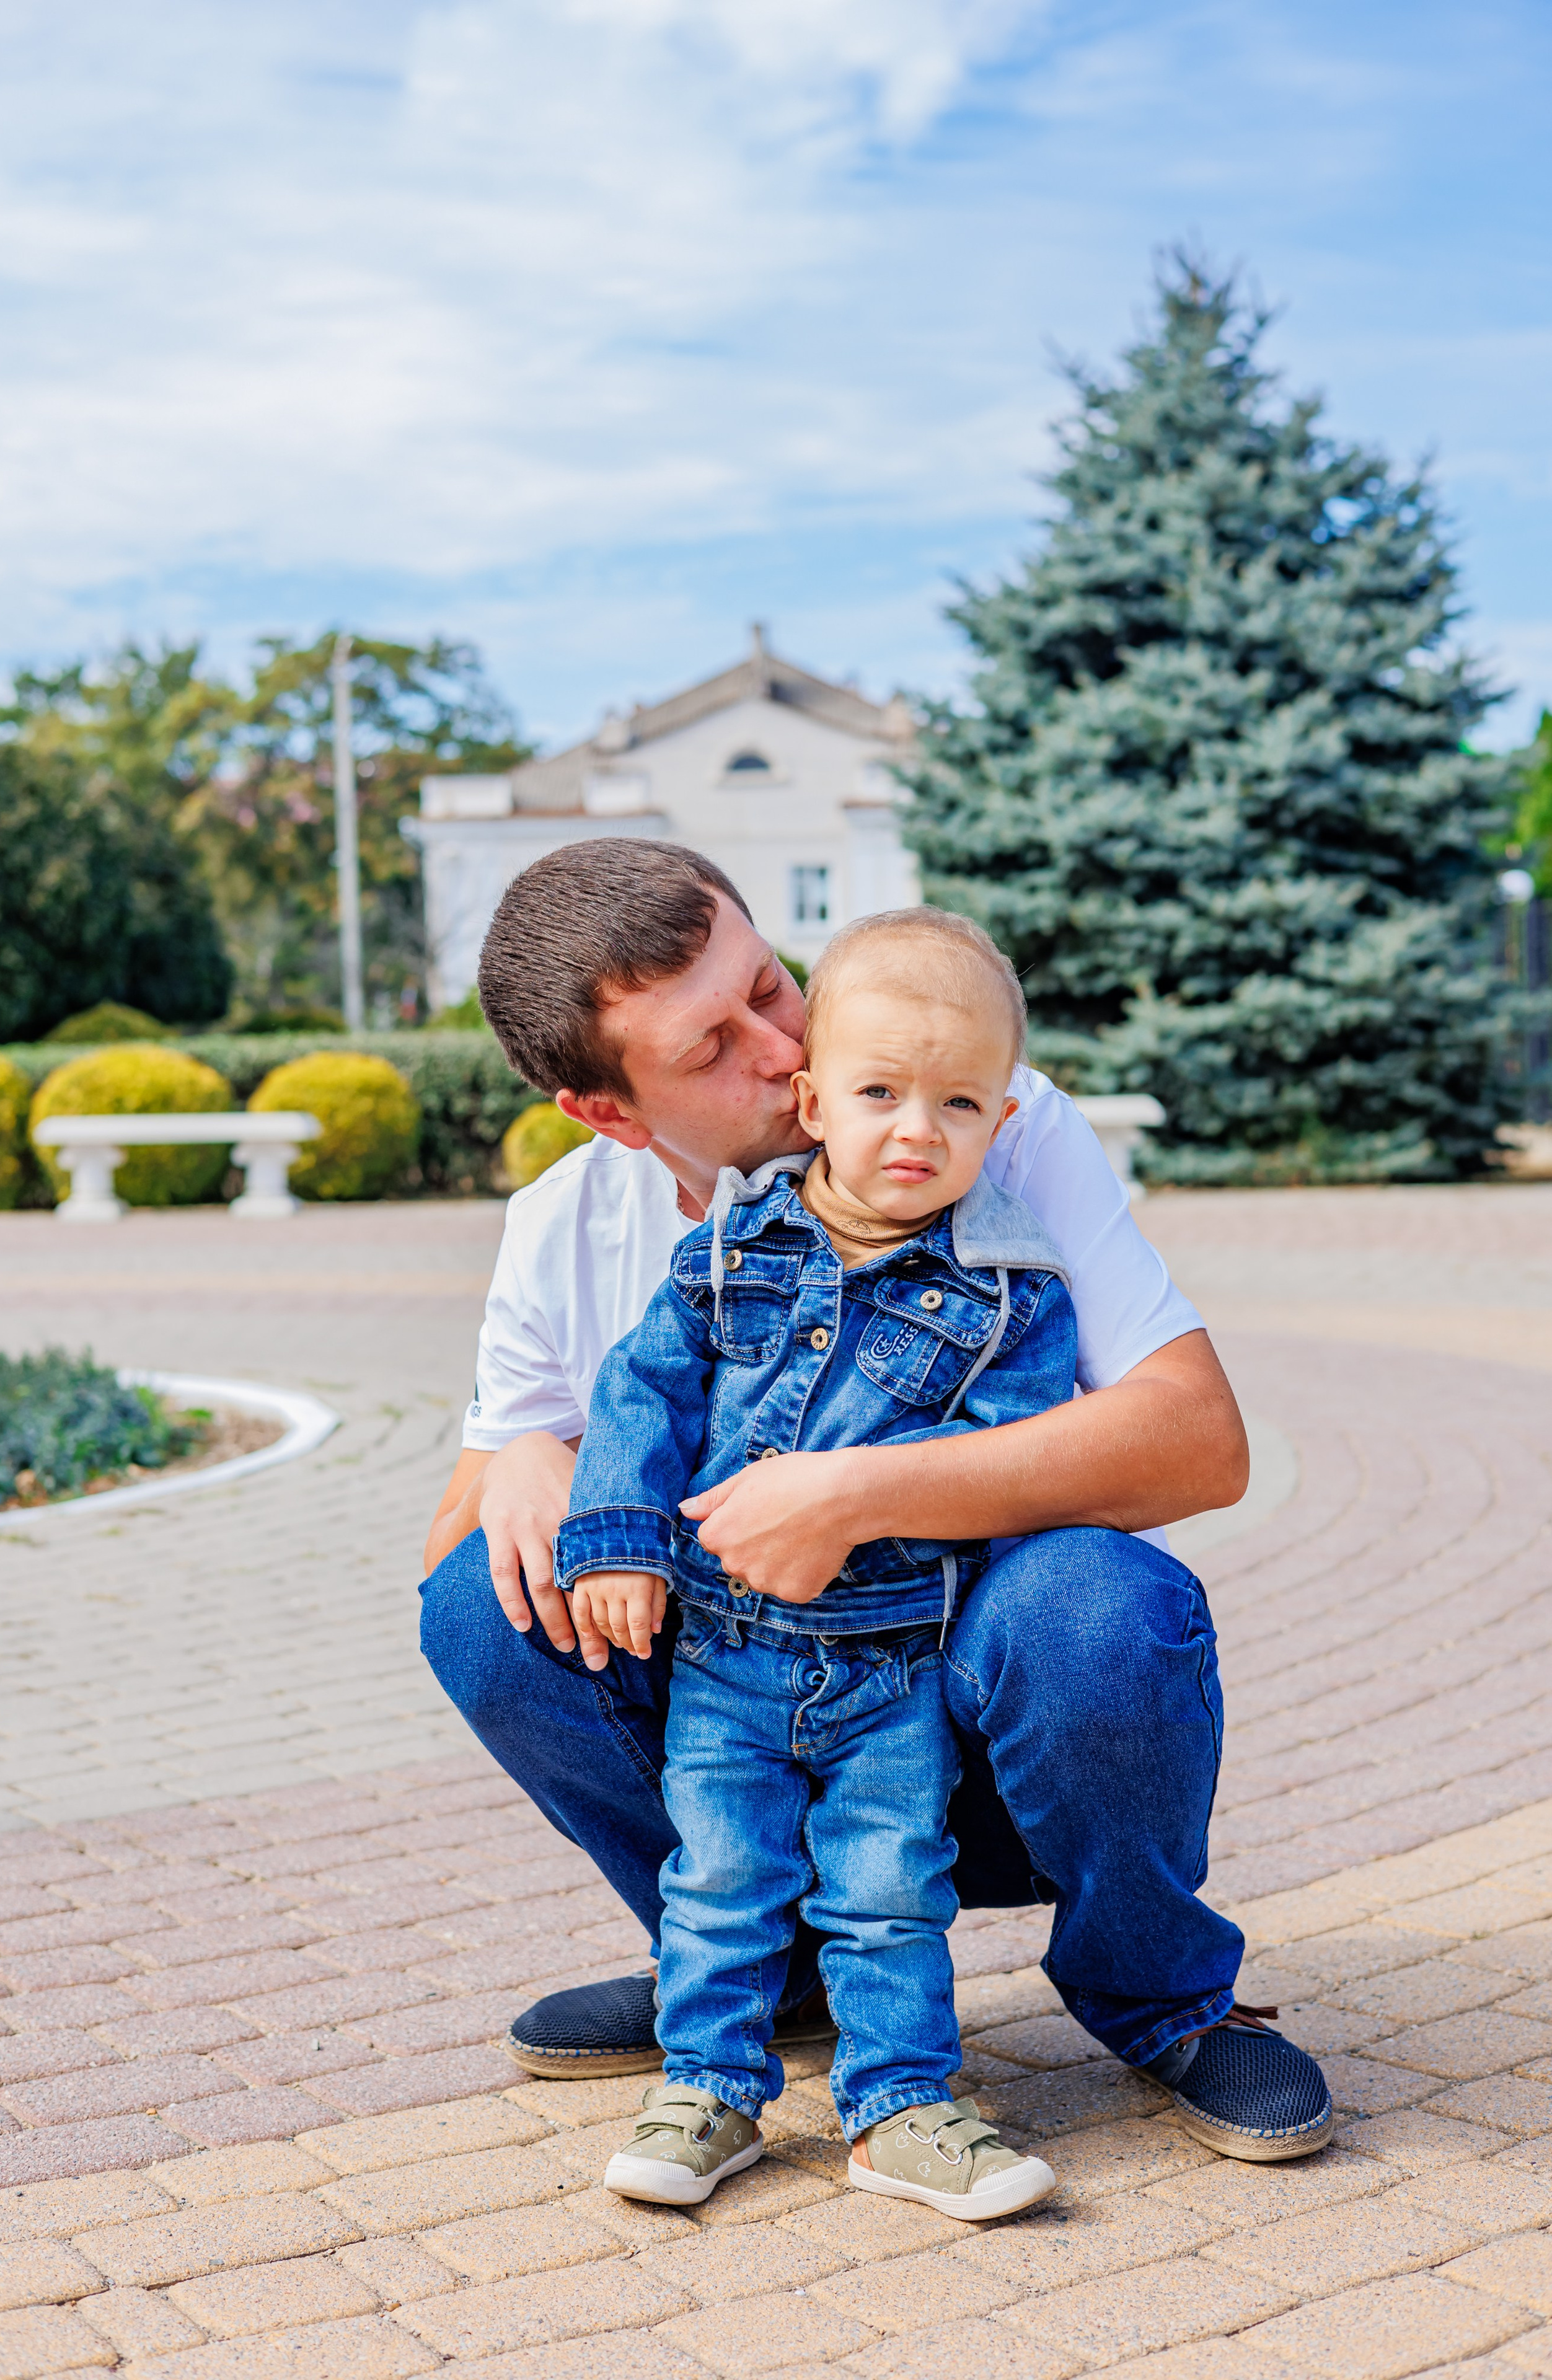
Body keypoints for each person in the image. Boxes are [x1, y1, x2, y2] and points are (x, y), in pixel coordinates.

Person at [421, 839, 1334, 2164]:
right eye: (711, 1046)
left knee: (1095, 1599)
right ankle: (756, 1971)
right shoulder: (561, 1230)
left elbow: (1199, 1444)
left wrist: (855, 1491)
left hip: (974, 1719)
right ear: (611, 1114)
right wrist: (516, 1454)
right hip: (752, 1726)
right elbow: (458, 1571)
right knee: (480, 1604)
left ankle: (1159, 1995)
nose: (783, 1049)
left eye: (770, 986)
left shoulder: (973, 1118)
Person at [558, 909, 1070, 2216]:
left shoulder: (1010, 1293)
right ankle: (708, 2092)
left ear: (999, 1126)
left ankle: (897, 2107)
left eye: (958, 1104)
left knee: (891, 1891)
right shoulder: (731, 1251)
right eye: (880, 1094)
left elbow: (1007, 1452)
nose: (917, 1130)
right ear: (812, 1099)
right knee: (720, 1879)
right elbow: (640, 1397)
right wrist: (618, 1542)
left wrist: (868, 1501)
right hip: (724, 1655)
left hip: (893, 1664)